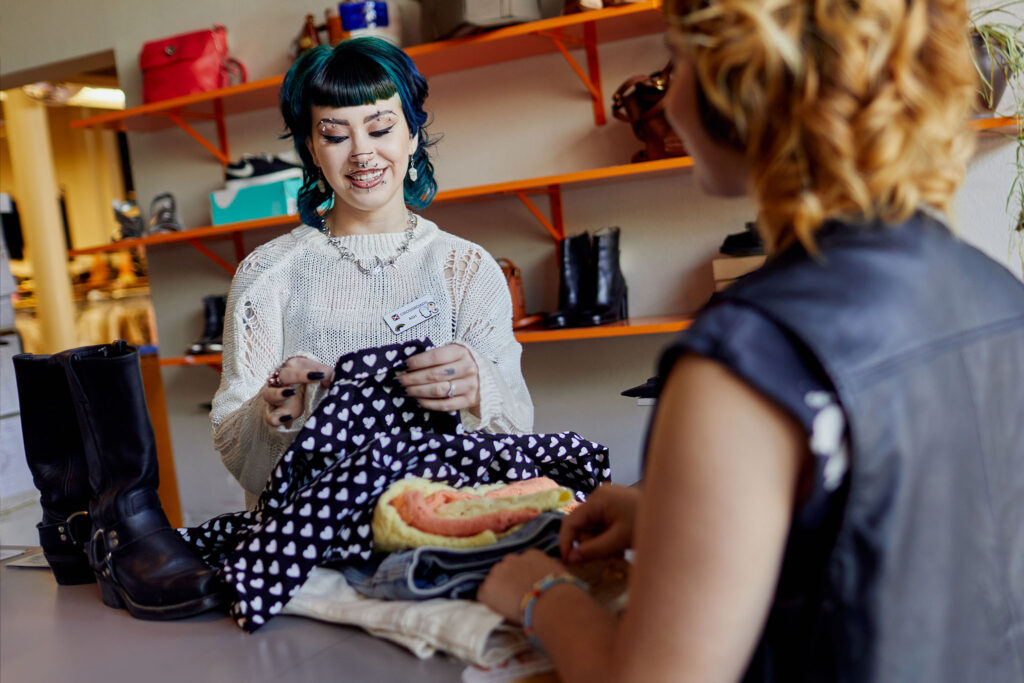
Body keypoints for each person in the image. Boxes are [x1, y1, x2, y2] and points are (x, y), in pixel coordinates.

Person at [478, 1, 1024, 681]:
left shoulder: (748, 356)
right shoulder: (999, 294)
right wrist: (666, 515)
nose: (669, 98)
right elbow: (910, 539)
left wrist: (539, 594)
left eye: (674, 66)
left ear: (748, 83)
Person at [211, 38, 533, 509]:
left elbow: (518, 432)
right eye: (336, 136)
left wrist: (482, 386)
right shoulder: (267, 273)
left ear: (412, 134)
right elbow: (243, 462)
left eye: (381, 128)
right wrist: (273, 412)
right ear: (312, 150)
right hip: (306, 550)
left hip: (437, 536)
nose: (362, 153)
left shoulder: (465, 268)